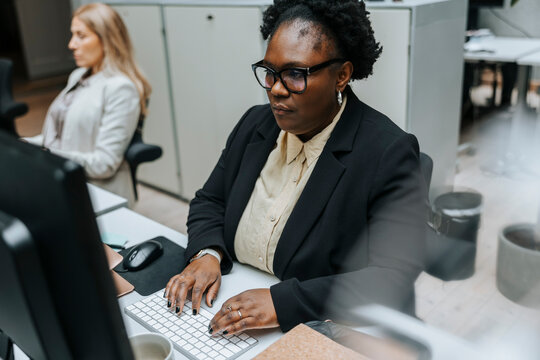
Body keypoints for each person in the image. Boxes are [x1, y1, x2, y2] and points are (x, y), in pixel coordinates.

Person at [165, 0, 426, 334]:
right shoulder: (254, 124)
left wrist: (283, 302)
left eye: (294, 74)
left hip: (321, 324)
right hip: (227, 300)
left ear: (342, 76)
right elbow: (210, 200)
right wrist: (208, 253)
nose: (276, 89)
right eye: (270, 72)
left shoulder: (387, 152)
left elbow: (392, 275)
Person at [25, 3, 151, 205]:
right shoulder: (79, 75)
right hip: (63, 182)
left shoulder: (121, 88)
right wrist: (27, 143)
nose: (71, 44)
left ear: (107, 40)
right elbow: (61, 134)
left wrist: (47, 155)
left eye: (81, 36)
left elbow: (104, 164)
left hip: (98, 194)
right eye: (72, 35)